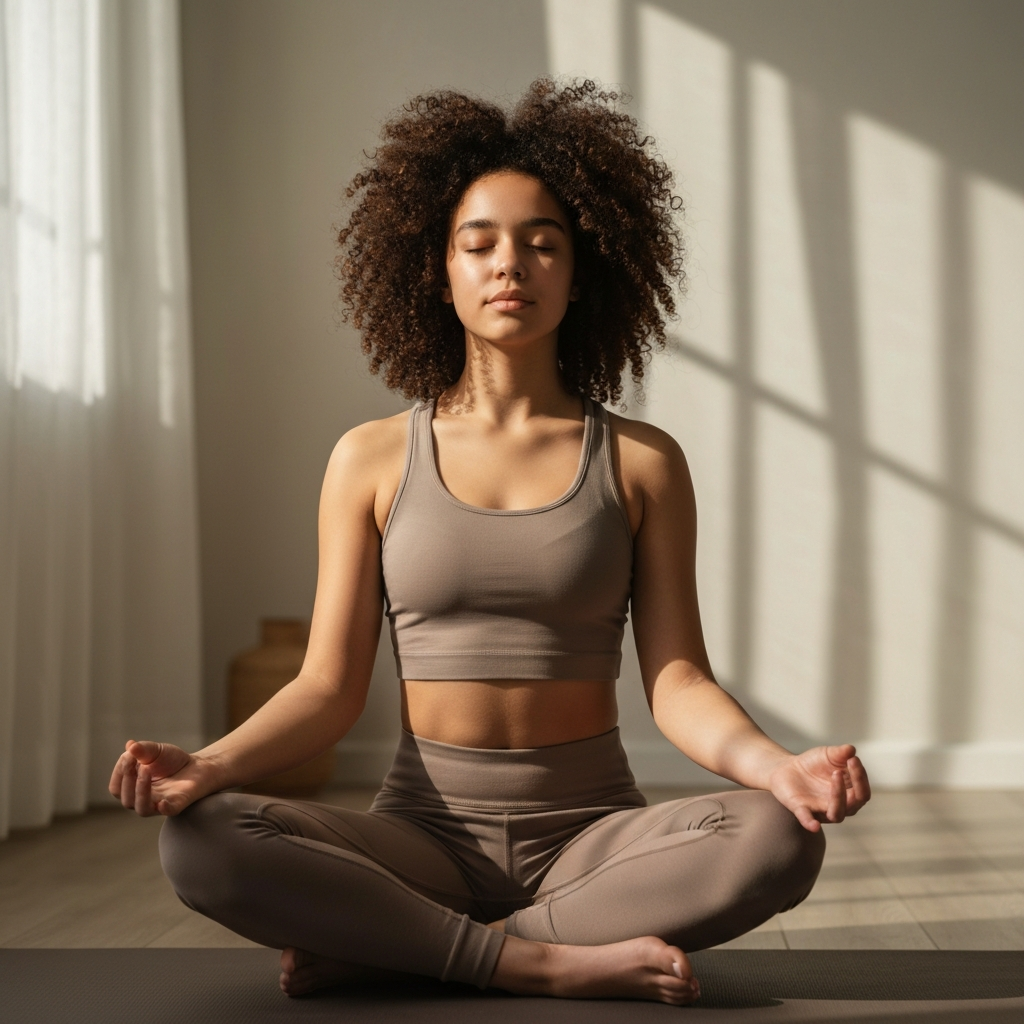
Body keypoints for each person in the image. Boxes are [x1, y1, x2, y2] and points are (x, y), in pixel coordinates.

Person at [109, 80, 870, 1006]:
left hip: (593, 842)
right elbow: (326, 686)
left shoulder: (641, 461)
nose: (512, 264)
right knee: (200, 839)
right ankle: (536, 961)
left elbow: (678, 681)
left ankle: (405, 949)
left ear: (581, 272)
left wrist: (777, 768)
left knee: (782, 836)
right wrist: (211, 766)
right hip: (418, 838)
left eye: (543, 244)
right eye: (480, 244)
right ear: (439, 269)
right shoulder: (370, 459)